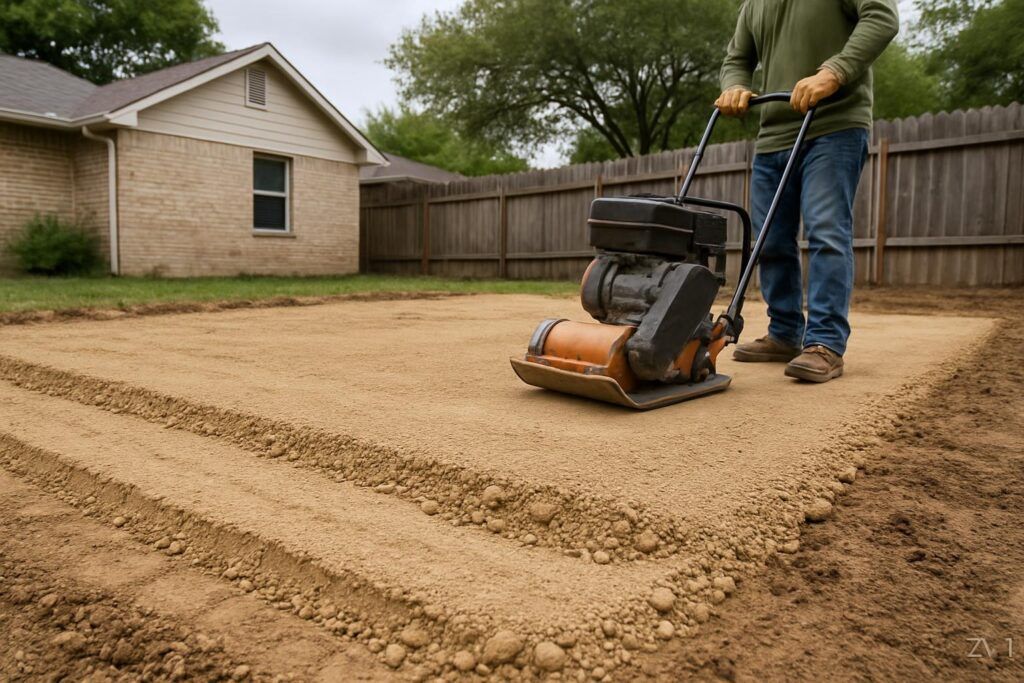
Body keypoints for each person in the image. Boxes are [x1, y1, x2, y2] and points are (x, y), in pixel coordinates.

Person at [716, 0, 899, 382]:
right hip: (772, 135)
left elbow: (882, 16)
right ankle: (784, 332)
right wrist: (734, 85)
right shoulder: (754, 5)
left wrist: (835, 70)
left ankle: (825, 343)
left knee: (826, 230)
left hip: (834, 125)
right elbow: (738, 58)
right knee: (769, 240)